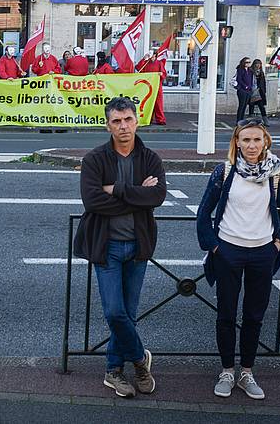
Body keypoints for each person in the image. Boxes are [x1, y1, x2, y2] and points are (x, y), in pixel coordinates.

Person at [74, 96, 166, 398]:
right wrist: (137, 195)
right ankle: (140, 360)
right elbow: (93, 202)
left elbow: (157, 197)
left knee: (129, 312)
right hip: (107, 246)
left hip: (138, 246)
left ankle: (113, 370)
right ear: (108, 124)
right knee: (115, 311)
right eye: (116, 121)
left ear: (137, 120)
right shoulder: (95, 160)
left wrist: (117, 191)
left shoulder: (150, 158)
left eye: (127, 119)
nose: (123, 126)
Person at [196, 118, 280, 400]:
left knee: (254, 316)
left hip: (262, 251)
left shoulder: (276, 172)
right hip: (228, 252)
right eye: (245, 140)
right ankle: (227, 371)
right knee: (226, 314)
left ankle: (246, 372)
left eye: (256, 140)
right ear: (236, 141)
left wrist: (278, 242)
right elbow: (203, 213)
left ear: (265, 142)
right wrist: (213, 247)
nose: (251, 145)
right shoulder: (224, 171)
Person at [136, 51, 167, 125]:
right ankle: (148, 118)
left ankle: (160, 119)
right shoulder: (146, 63)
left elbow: (164, 73)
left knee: (158, 103)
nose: (152, 57)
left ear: (155, 56)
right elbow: (138, 68)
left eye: (153, 55)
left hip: (157, 86)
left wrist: (161, 74)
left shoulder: (159, 63)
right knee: (148, 103)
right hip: (148, 86)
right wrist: (144, 59)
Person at [248, 59, 269, 127]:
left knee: (261, 106)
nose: (258, 65)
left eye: (259, 64)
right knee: (251, 106)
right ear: (254, 64)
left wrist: (264, 90)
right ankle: (251, 120)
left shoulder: (261, 72)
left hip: (259, 92)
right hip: (252, 91)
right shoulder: (250, 71)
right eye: (256, 64)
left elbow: (263, 82)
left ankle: (265, 120)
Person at [235, 57, 253, 123]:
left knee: (245, 106)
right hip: (242, 90)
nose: (248, 64)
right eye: (247, 62)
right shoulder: (240, 70)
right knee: (241, 106)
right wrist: (245, 86)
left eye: (249, 62)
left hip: (248, 91)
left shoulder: (250, 70)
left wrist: (250, 87)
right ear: (243, 63)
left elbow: (251, 80)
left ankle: (242, 120)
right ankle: (238, 121)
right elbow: (239, 79)